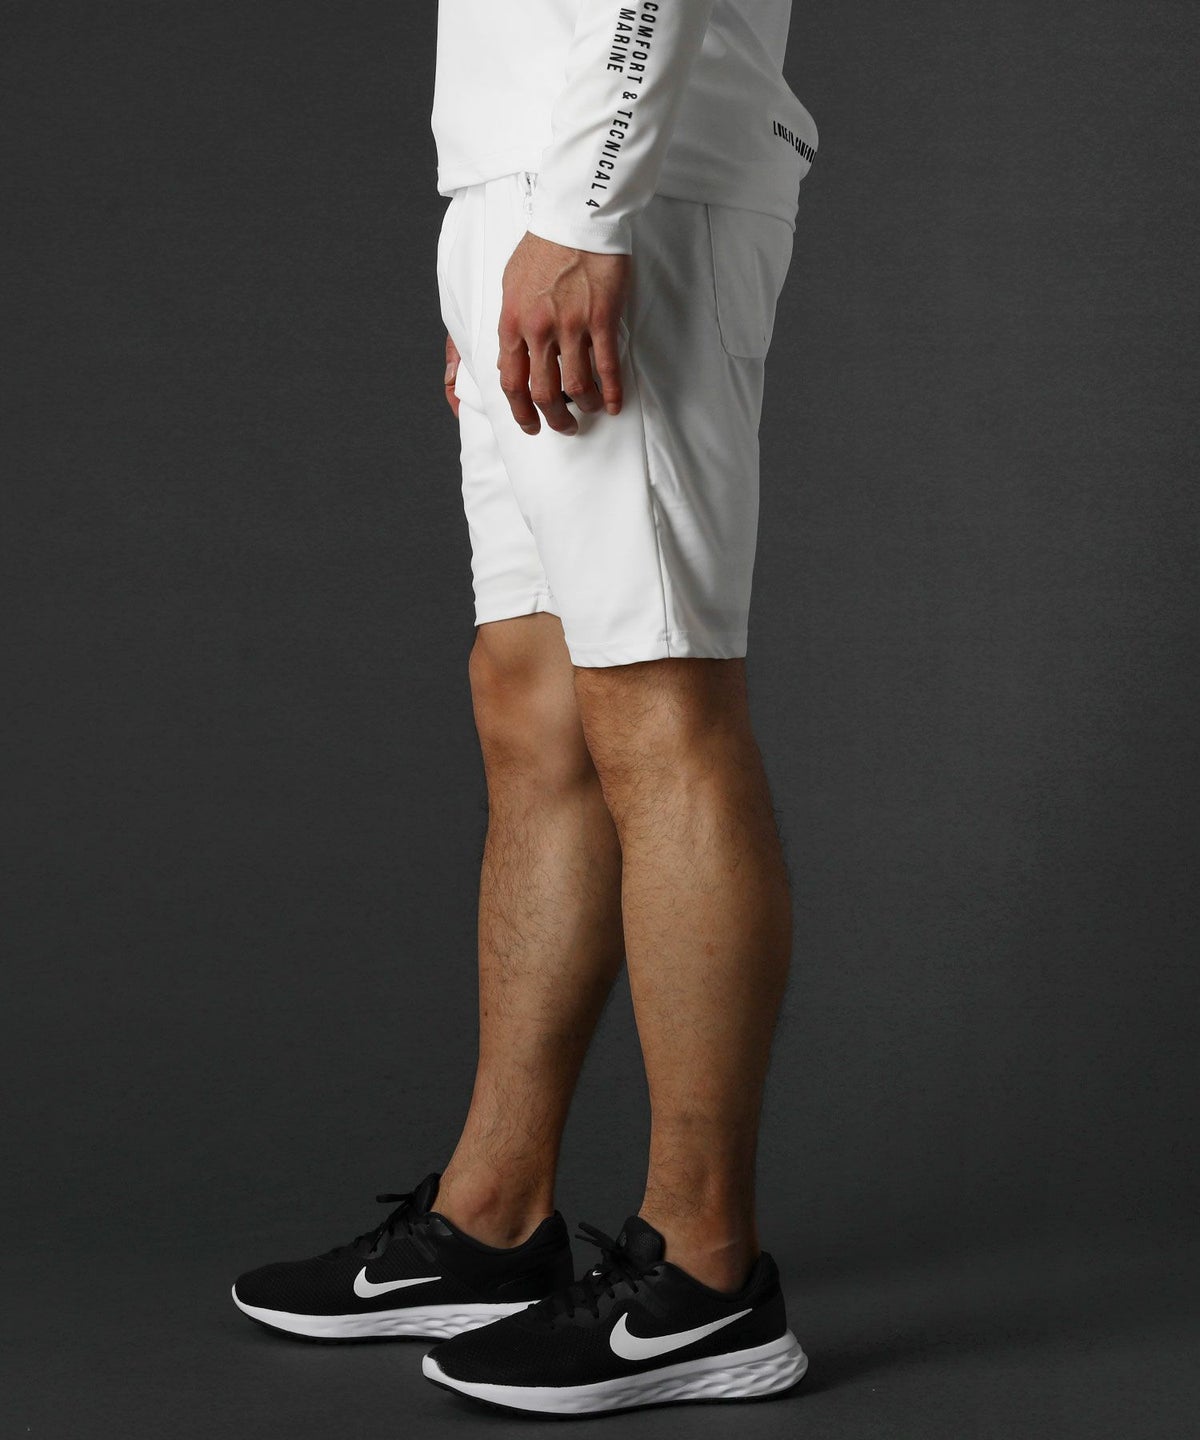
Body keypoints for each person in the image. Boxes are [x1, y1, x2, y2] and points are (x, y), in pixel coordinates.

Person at [232, 0, 818, 1416]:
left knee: (658, 699)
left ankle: (706, 1274)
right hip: (523, 185)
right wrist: (499, 241)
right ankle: (491, 1218)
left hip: (626, 185)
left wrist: (579, 216)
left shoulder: (597, 197)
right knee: (531, 697)